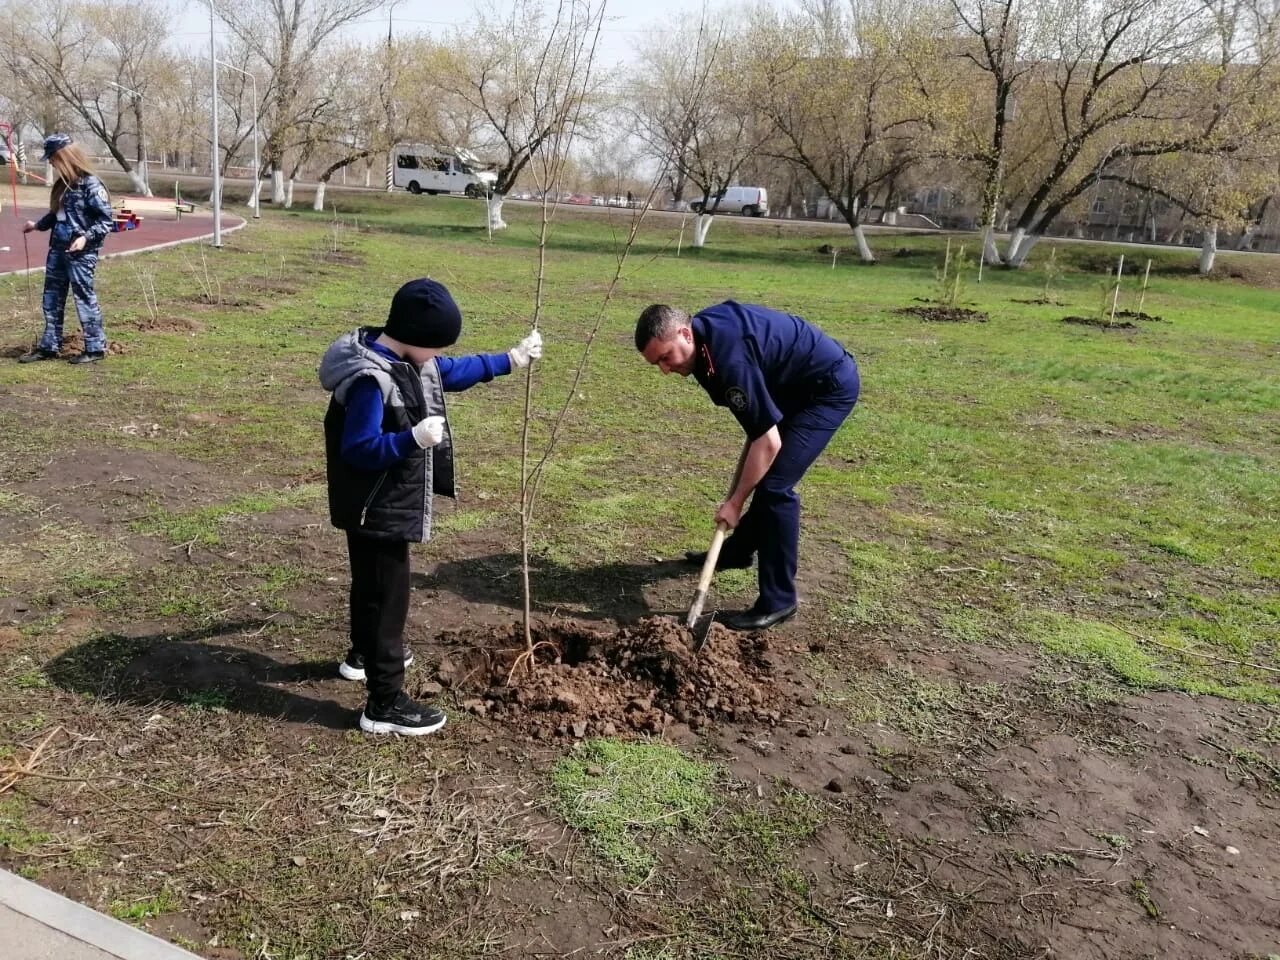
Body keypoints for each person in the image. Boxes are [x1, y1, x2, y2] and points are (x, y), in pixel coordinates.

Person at [319, 278, 543, 735]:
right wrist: (411, 439)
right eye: (436, 347)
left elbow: (453, 371)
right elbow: (358, 449)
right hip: (375, 505)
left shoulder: (404, 357)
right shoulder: (370, 380)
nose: (439, 357)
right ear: (415, 337)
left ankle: (363, 656)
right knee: (388, 598)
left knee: (370, 586)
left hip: (376, 504)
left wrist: (511, 359)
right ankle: (384, 703)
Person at [635, 301, 859, 631]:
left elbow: (767, 442)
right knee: (764, 469)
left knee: (774, 488)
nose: (665, 370)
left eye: (666, 357)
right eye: (656, 363)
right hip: (787, 387)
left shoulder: (728, 356)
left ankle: (780, 601)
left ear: (685, 332)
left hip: (825, 389)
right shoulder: (702, 343)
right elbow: (758, 428)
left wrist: (735, 502)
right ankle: (737, 552)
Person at [19, 134, 114, 365]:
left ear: (63, 156)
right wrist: (37, 226)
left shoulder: (91, 184)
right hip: (58, 249)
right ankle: (49, 346)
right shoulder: (64, 184)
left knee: (84, 297)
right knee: (51, 298)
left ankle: (95, 347)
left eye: (52, 158)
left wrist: (84, 238)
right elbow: (57, 214)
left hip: (81, 253)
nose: (50, 162)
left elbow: (106, 221)